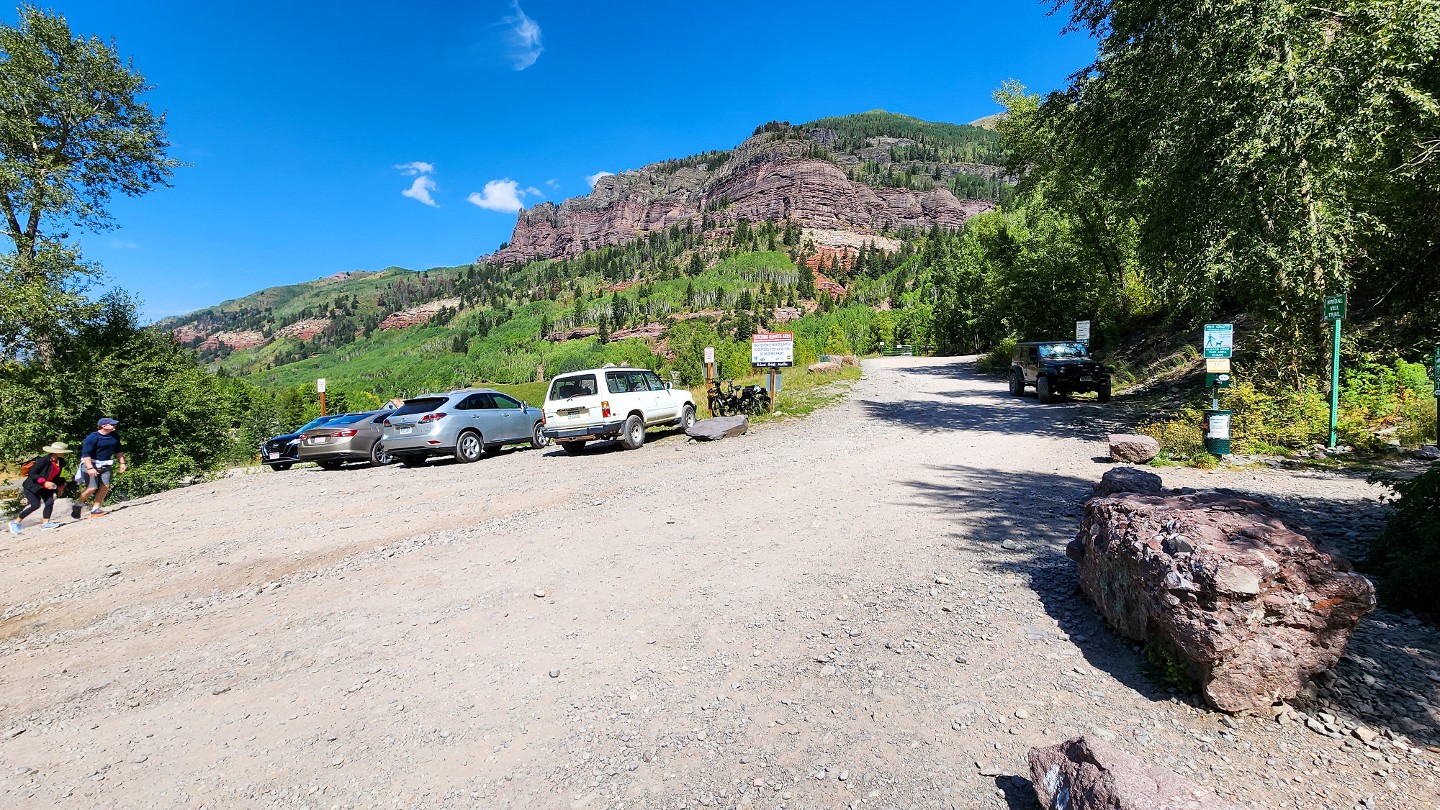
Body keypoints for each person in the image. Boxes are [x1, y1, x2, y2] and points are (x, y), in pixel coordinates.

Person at [10, 441, 72, 533]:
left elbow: (58, 476)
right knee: (35, 505)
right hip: (33, 486)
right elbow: (32, 473)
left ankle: (45, 524)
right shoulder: (44, 460)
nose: (64, 453)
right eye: (62, 451)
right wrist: (44, 482)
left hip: (46, 486)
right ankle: (16, 522)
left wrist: (61, 486)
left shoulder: (61, 462)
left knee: (50, 502)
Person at [74, 417, 126, 518]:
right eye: (112, 424)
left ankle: (95, 509)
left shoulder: (114, 436)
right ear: (104, 426)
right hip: (91, 464)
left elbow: (118, 450)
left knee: (105, 486)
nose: (114, 425)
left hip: (106, 464)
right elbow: (86, 454)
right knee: (92, 488)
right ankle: (79, 504)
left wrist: (122, 463)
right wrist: (90, 468)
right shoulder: (92, 437)